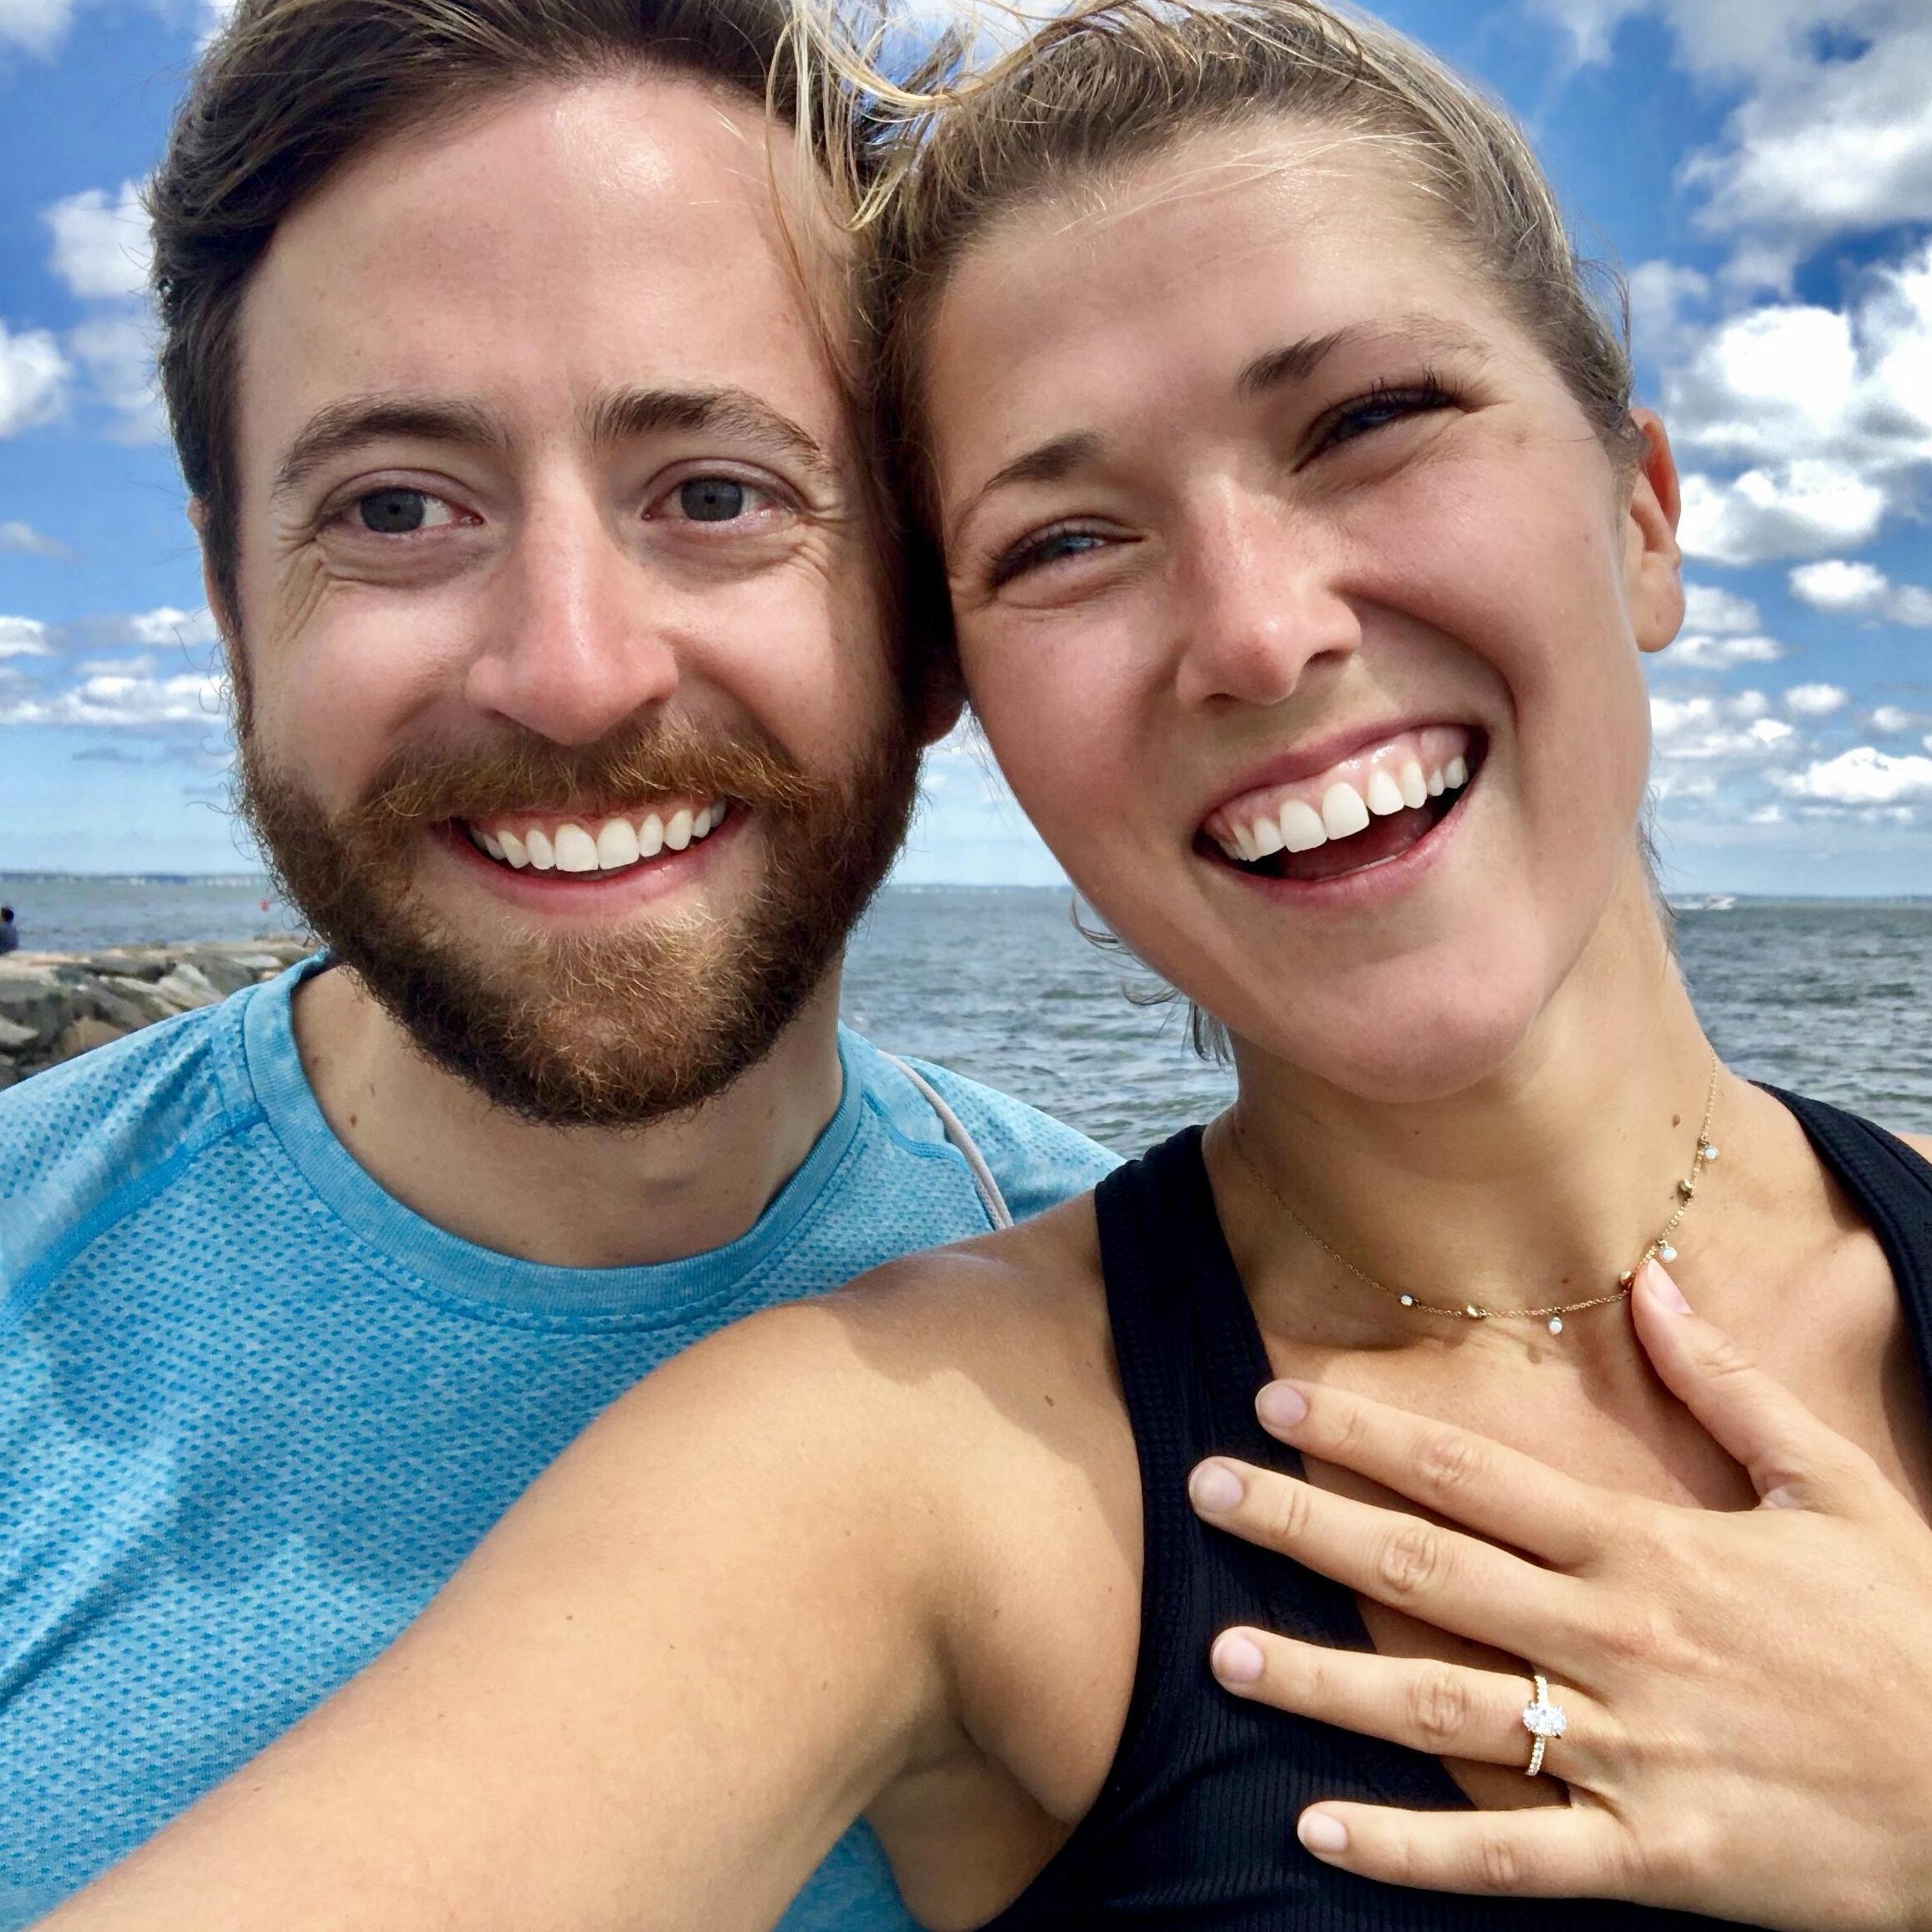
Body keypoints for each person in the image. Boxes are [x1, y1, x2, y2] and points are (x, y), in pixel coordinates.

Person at [35, 2, 1932, 1928]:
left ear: (1644, 509)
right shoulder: (921, 1441)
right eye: (1067, 538)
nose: (1262, 638)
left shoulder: (1005, 1242)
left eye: (1369, 422)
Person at [0, 3, 1115, 1928]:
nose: (575, 670)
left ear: (918, 616)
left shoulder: (1159, 1361)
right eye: (397, 511)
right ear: (226, 605)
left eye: (715, 492)